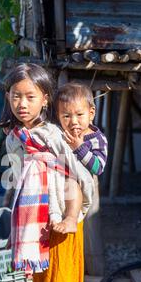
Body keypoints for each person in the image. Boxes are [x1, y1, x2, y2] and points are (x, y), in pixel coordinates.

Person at [0, 63, 94, 282]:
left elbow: (78, 179)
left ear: (45, 98)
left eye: (30, 96)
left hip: (60, 224)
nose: (22, 104)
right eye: (16, 96)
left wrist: (70, 217)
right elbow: (16, 178)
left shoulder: (53, 136)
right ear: (8, 97)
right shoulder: (16, 137)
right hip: (36, 227)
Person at [51, 82, 108, 234]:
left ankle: (70, 219)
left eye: (79, 114)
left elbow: (98, 167)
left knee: (71, 182)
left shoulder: (97, 139)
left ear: (91, 113)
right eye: (66, 116)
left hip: (79, 187)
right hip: (56, 182)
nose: (73, 121)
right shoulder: (59, 133)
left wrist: (79, 148)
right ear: (58, 117)